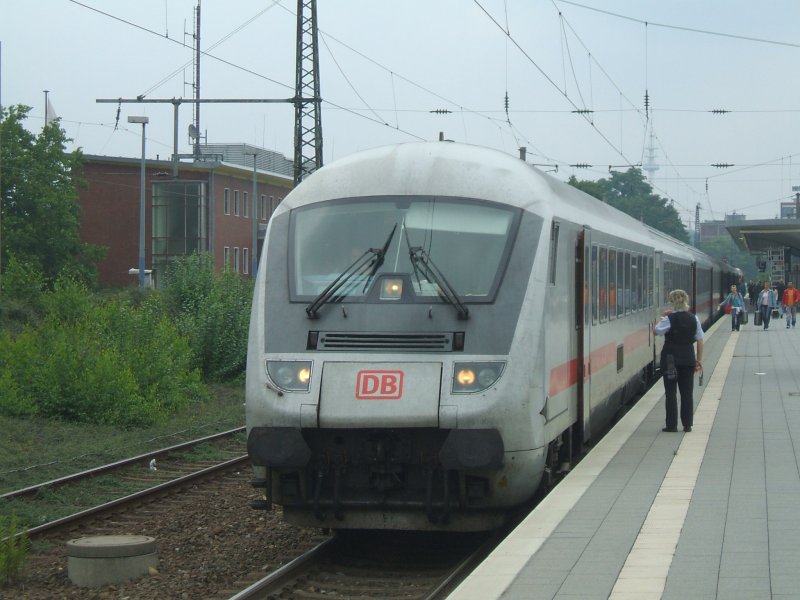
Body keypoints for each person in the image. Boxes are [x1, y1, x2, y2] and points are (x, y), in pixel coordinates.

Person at [653, 289, 704, 433]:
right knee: (687, 392)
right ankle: (687, 425)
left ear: (672, 302)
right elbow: (700, 341)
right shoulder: (694, 318)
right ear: (686, 301)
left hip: (670, 360)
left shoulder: (669, 319)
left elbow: (655, 331)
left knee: (670, 393)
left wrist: (663, 317)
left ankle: (671, 425)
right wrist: (698, 361)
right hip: (688, 359)